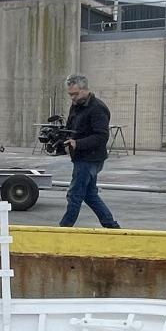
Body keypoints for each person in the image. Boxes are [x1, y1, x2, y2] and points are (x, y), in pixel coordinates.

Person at [58, 74, 120, 229]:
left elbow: (101, 136)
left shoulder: (97, 108)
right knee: (90, 195)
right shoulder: (77, 105)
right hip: (81, 157)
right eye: (70, 94)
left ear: (85, 90)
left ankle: (64, 229)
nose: (72, 98)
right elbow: (71, 127)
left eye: (75, 94)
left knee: (75, 194)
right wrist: (64, 139)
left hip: (91, 159)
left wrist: (77, 143)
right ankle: (111, 226)